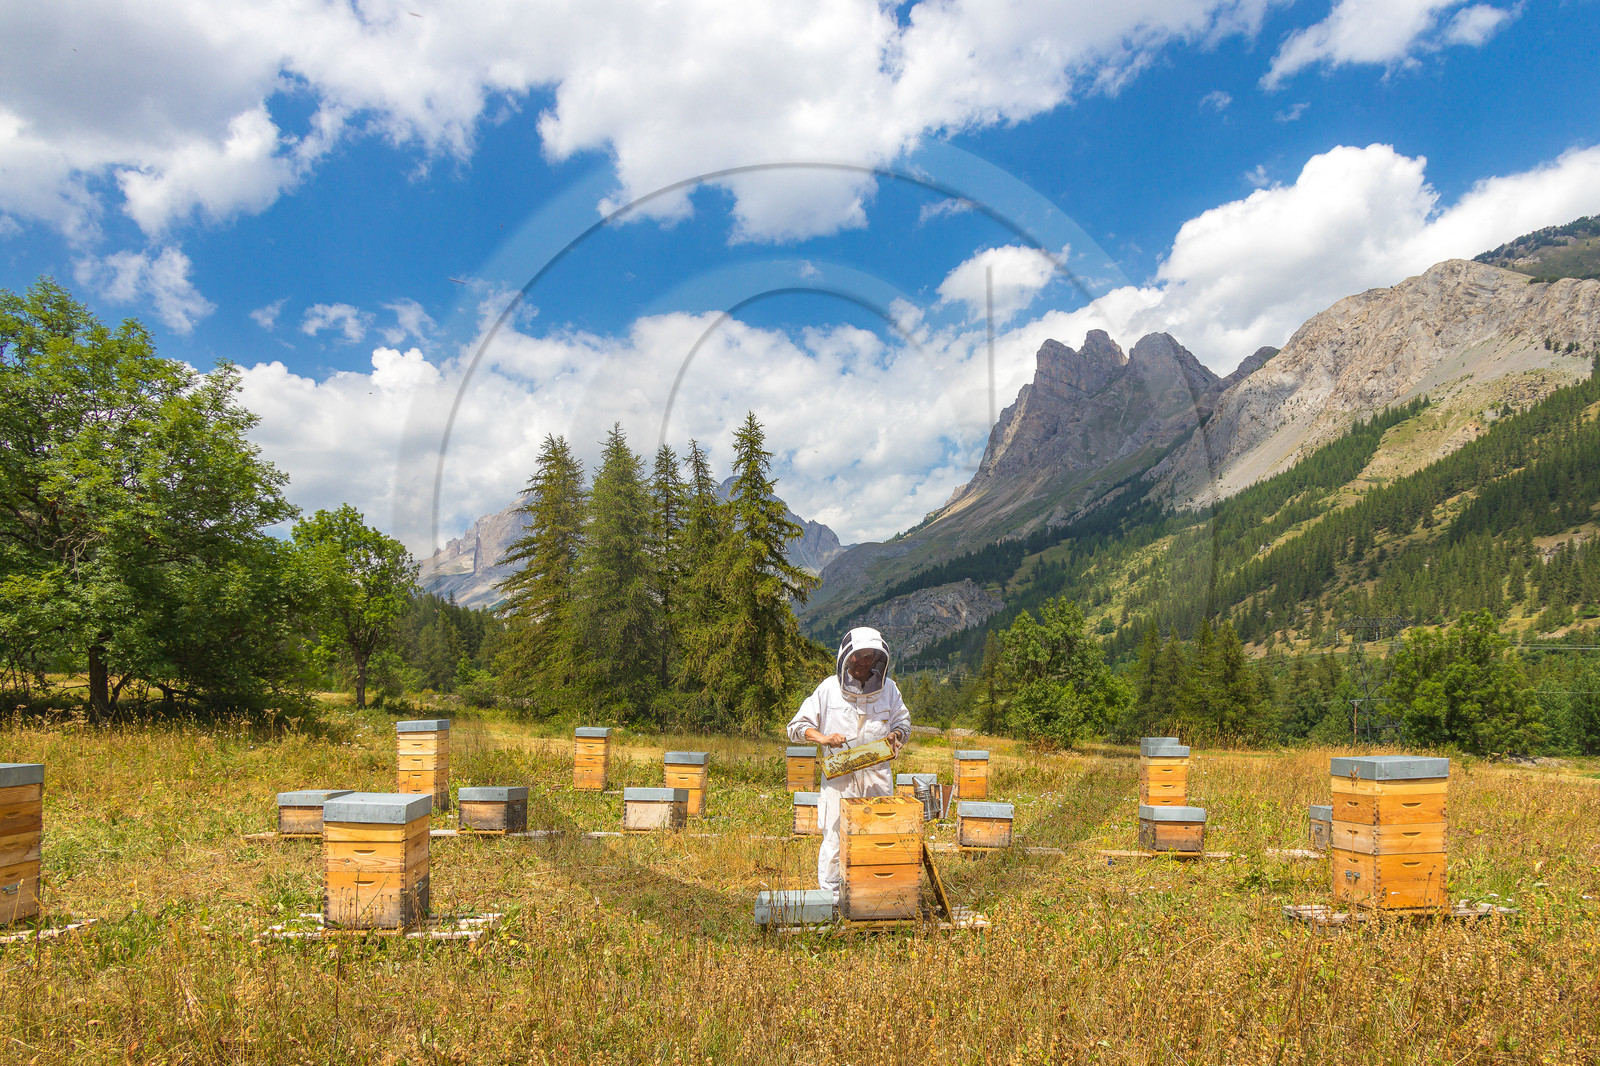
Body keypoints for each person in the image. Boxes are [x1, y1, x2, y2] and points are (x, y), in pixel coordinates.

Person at [786, 626, 911, 899]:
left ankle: (871, 899)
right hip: (840, 782)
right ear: (846, 656)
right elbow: (796, 727)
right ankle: (830, 902)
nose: (863, 662)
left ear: (878, 658)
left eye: (869, 656)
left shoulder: (889, 690)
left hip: (877, 778)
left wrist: (895, 735)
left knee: (877, 840)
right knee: (834, 841)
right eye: (858, 656)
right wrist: (823, 737)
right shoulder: (828, 690)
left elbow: (903, 722)